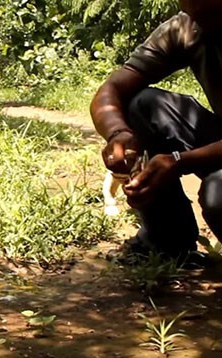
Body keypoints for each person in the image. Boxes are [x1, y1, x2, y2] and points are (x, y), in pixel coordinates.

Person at [91, 0, 222, 266]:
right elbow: (111, 90)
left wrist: (179, 161)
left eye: (209, 12)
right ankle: (165, 245)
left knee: (219, 195)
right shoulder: (188, 26)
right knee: (141, 103)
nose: (196, 17)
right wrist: (117, 134)